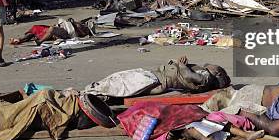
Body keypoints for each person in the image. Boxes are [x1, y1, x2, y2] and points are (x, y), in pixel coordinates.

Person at [84, 56, 230, 98]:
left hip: (157, 80)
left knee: (123, 83)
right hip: (155, 77)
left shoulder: (207, 77)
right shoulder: (205, 73)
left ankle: (92, 92)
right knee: (120, 79)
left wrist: (182, 64)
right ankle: (94, 91)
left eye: (215, 67)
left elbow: (188, 75)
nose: (211, 65)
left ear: (217, 73)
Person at [9, 18, 94, 45]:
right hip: (61, 29)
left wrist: (76, 25)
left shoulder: (84, 30)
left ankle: (40, 41)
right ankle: (20, 40)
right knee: (36, 28)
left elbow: (79, 34)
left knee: (51, 29)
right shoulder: (79, 24)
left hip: (66, 33)